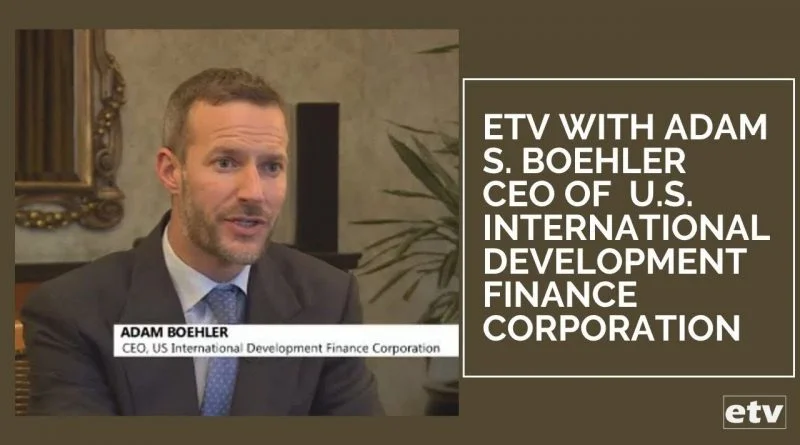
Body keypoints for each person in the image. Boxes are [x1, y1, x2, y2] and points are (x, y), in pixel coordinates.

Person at [20, 67, 385, 416]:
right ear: (171, 172)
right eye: (226, 163)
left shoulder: (327, 300)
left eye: (271, 167)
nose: (254, 192)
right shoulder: (73, 312)